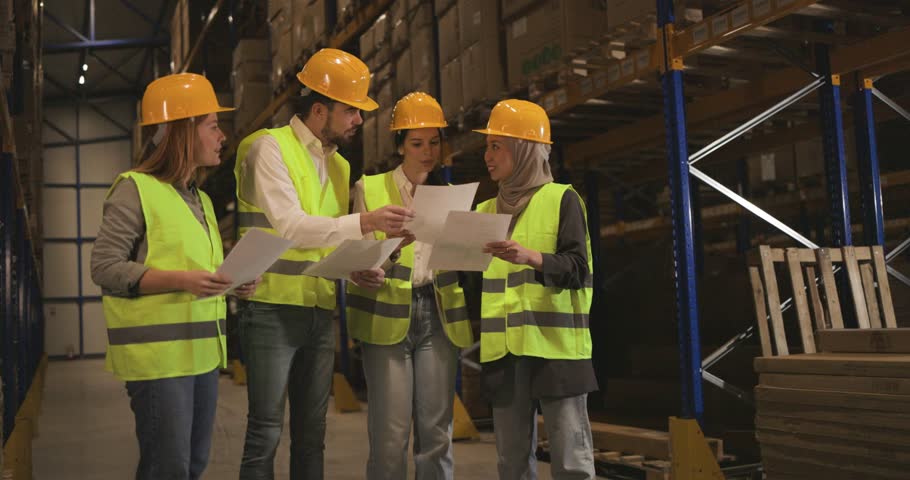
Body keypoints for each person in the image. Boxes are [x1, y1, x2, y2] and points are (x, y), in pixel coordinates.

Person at [233, 48, 414, 479]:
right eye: (350, 111)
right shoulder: (268, 149)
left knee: (312, 434)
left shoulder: (340, 167)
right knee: (265, 432)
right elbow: (293, 227)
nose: (358, 121)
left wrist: (356, 269)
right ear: (319, 110)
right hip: (271, 310)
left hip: (318, 311)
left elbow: (325, 243)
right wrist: (366, 220)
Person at [91, 73, 259, 480]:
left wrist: (233, 281)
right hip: (158, 361)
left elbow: (199, 270)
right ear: (183, 130)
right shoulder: (135, 189)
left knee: (192, 466)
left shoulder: (199, 198)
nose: (223, 135)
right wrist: (182, 281)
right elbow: (105, 266)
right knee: (168, 469)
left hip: (199, 354)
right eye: (213, 125)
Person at [349, 92, 474, 480]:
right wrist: (394, 248)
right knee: (390, 434)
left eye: (434, 142)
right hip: (387, 317)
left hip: (438, 317)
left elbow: (460, 263)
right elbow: (358, 261)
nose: (427, 152)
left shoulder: (451, 195)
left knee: (436, 433)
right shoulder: (369, 188)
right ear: (399, 145)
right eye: (417, 143)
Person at [473, 99, 597, 480]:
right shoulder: (483, 212)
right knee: (511, 465)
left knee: (571, 462)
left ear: (525, 150)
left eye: (497, 146)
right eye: (487, 146)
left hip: (555, 350)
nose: (487, 156)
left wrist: (533, 258)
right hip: (505, 354)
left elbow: (578, 269)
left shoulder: (562, 199)